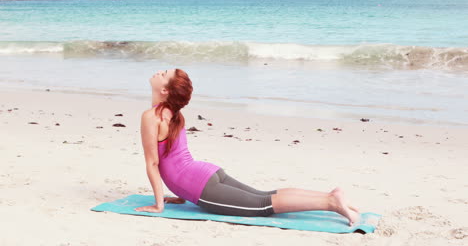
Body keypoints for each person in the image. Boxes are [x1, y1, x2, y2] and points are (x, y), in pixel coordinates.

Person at [135, 69, 360, 226]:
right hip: (206, 173)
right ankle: (330, 195)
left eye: (163, 74)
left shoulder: (151, 116)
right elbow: (173, 158)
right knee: (264, 195)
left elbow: (154, 163)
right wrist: (178, 194)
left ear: (165, 91)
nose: (158, 72)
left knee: (263, 204)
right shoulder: (174, 114)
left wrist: (159, 204)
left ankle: (330, 202)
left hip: (199, 185)